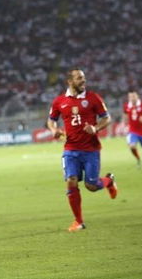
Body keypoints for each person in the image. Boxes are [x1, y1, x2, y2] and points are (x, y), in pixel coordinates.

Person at [46, 68, 118, 232]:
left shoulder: (93, 98)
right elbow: (51, 120)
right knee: (70, 180)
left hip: (91, 150)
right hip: (70, 149)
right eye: (79, 78)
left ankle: (109, 181)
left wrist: (96, 128)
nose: (83, 81)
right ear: (70, 81)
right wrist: (53, 130)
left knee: (91, 186)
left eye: (84, 78)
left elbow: (107, 118)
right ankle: (78, 221)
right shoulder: (59, 101)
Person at [123, 91, 142, 172]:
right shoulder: (126, 106)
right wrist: (125, 123)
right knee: (132, 146)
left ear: (137, 96)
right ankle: (138, 159)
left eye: (133, 96)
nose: (132, 98)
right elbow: (125, 114)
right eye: (130, 97)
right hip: (133, 131)